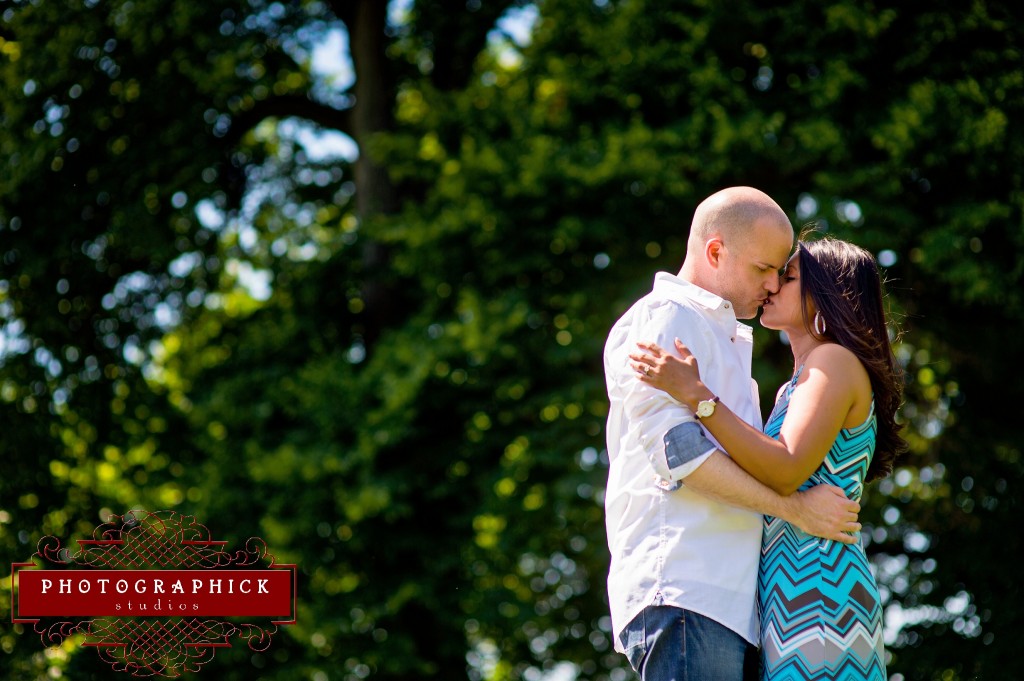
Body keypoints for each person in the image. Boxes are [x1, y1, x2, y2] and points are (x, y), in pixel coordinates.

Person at [603, 187, 862, 681]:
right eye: (763, 269)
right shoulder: (669, 318)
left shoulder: (721, 334)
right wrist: (793, 508)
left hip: (730, 601)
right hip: (686, 587)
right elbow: (679, 454)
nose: (772, 284)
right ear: (716, 251)